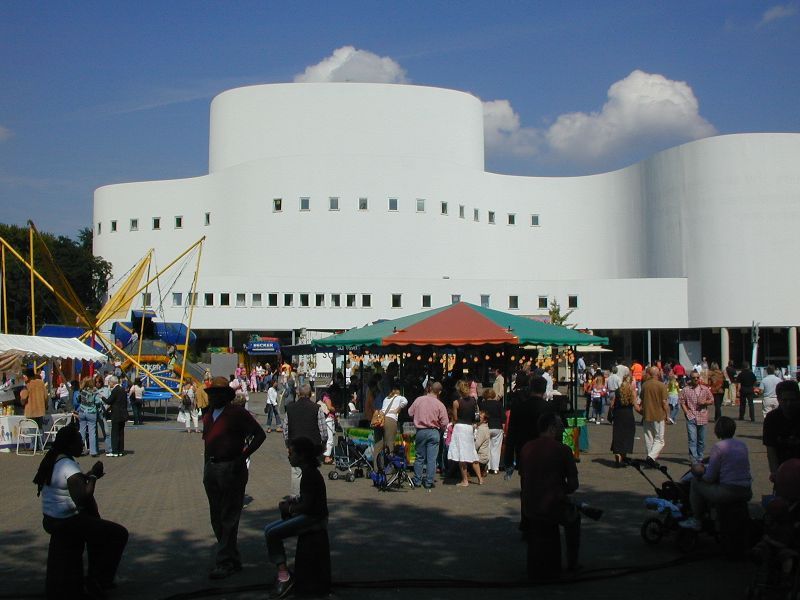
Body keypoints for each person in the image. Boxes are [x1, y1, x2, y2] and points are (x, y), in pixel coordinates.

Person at [33, 424, 128, 598]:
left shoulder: (54, 459)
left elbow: (71, 483)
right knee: (118, 534)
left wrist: (87, 476)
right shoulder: (68, 465)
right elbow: (83, 497)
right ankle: (100, 579)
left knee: (96, 528)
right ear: (69, 445)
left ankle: (93, 577)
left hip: (51, 518)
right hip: (66, 521)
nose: (82, 445)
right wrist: (93, 476)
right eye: (79, 442)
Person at [202, 376, 266, 579]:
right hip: (211, 467)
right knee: (216, 516)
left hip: (231, 467)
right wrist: (206, 466)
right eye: (211, 394)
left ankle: (225, 561)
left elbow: (259, 435)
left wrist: (243, 456)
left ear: (226, 396)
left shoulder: (237, 413)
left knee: (229, 515)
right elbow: (207, 442)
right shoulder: (208, 415)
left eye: (216, 394)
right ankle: (231, 556)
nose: (213, 397)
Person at [264, 436, 329, 600]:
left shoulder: (309, 475)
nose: (289, 456)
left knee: (272, 534)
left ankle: (283, 575)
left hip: (314, 519)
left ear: (301, 455)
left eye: (291, 453)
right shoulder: (308, 473)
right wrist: (293, 503)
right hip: (311, 515)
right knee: (269, 529)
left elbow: (307, 506)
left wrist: (289, 508)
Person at [519, 412, 580, 579]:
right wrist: (561, 490)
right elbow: (573, 484)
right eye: (560, 427)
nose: (562, 430)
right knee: (574, 518)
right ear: (552, 428)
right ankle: (572, 562)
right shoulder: (563, 450)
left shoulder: (526, 448)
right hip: (552, 505)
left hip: (530, 506)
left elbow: (523, 479)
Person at [680, 417, 752, 531]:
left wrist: (700, 475)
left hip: (728, 491)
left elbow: (710, 478)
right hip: (746, 489)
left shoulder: (718, 447)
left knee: (695, 483)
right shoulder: (742, 445)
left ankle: (697, 519)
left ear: (717, 430)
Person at [284, 383, 326, 499]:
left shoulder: (290, 408)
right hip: (312, 446)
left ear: (298, 394)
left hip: (295, 446)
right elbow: (323, 430)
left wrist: (288, 444)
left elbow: (285, 429)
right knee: (311, 471)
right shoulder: (316, 408)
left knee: (296, 472)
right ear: (310, 394)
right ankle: (310, 497)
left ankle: (295, 498)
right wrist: (323, 444)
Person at [408, 381, 449, 489]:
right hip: (434, 431)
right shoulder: (440, 404)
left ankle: (417, 480)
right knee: (432, 459)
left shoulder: (419, 400)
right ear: (439, 392)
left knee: (419, 457)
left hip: (421, 431)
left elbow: (410, 412)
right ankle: (429, 482)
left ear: (430, 388)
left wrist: (418, 417)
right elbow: (445, 422)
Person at [447, 380, 482, 486]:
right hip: (469, 427)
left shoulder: (456, 402)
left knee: (462, 455)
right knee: (472, 452)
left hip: (460, 427)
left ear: (459, 390)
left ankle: (465, 480)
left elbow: (455, 418)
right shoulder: (474, 401)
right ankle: (480, 479)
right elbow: (476, 415)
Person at [763, 380, 800, 479]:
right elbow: (771, 448)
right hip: (782, 469)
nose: (788, 404)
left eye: (792, 400)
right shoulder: (771, 418)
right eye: (785, 400)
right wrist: (775, 472)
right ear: (778, 399)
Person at [371, 379, 408, 472]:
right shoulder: (400, 397)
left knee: (378, 445)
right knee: (390, 445)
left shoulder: (386, 399)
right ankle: (390, 467)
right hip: (390, 420)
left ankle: (377, 468)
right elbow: (405, 401)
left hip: (380, 420)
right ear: (398, 391)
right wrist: (398, 409)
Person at [679, 370, 714, 463]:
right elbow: (682, 401)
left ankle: (700, 457)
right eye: (694, 378)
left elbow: (711, 399)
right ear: (690, 379)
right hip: (691, 417)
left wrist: (705, 402)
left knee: (701, 440)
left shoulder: (704, 389)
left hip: (702, 416)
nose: (696, 379)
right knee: (692, 439)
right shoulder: (686, 390)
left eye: (697, 377)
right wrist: (687, 412)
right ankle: (694, 459)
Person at [637, 366, 669, 465]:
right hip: (658, 415)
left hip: (647, 414)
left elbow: (641, 400)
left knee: (649, 438)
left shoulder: (645, 385)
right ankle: (651, 457)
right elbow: (664, 402)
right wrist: (667, 415)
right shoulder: (661, 385)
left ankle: (650, 457)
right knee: (660, 440)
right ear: (658, 374)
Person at [609, 374, 636, 467]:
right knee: (627, 435)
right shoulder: (632, 392)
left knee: (618, 435)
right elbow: (636, 406)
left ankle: (617, 453)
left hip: (618, 415)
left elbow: (612, 405)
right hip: (628, 415)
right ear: (631, 381)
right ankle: (623, 456)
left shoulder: (617, 391)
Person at [479, 388, 504, 474]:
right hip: (497, 427)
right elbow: (503, 417)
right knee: (496, 448)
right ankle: (495, 468)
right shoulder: (499, 404)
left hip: (486, 426)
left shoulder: (482, 404)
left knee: (487, 447)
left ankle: (487, 467)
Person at [105, 375, 128, 457]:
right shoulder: (123, 389)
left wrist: (102, 397)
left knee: (114, 433)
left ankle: (115, 451)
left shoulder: (115, 390)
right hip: (123, 414)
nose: (109, 384)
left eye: (109, 382)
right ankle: (120, 450)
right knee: (121, 433)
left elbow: (109, 401)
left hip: (116, 414)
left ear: (112, 382)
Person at [77, 379, 100, 457]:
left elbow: (78, 400)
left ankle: (80, 450)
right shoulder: (94, 391)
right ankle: (93, 451)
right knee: (92, 432)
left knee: (82, 431)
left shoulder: (81, 391)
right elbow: (98, 401)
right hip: (91, 412)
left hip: (82, 411)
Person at [318, 392, 336, 465]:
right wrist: (335, 409)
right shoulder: (327, 398)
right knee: (330, 438)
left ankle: (324, 454)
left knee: (326, 438)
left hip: (325, 419)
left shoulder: (323, 398)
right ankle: (327, 457)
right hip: (329, 419)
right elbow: (329, 408)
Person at [474, 410, 490, 478]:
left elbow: (476, 445)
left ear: (485, 420)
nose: (477, 418)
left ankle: (482, 470)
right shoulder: (481, 427)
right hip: (483, 456)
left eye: (480, 417)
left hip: (480, 458)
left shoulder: (482, 429)